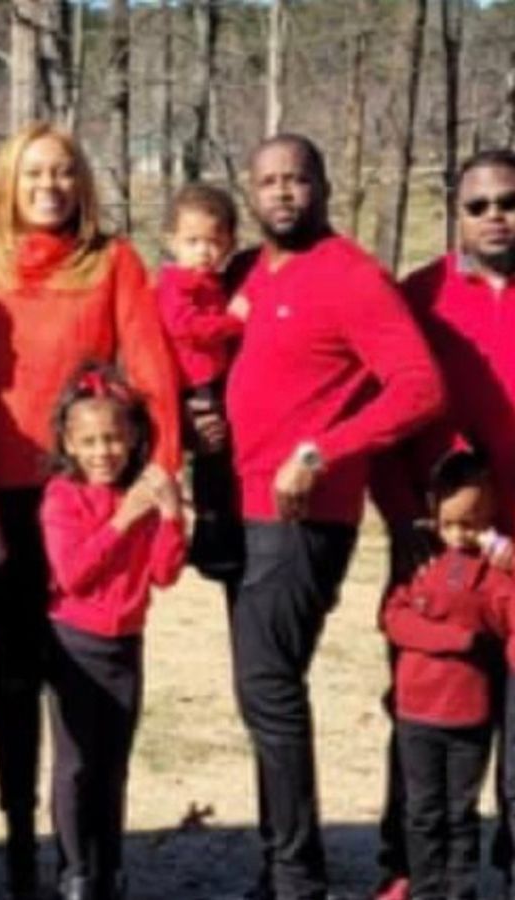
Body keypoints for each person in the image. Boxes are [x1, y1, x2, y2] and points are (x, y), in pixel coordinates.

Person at [0, 121, 180, 898]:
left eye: (64, 172)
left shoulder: (113, 263)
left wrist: (160, 476)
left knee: (91, 687)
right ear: (8, 182)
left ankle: (90, 859)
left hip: (86, 496)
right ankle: (18, 843)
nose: (50, 186)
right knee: (12, 682)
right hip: (1, 503)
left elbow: (152, 372)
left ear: (83, 183)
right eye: (34, 172)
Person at [222, 133, 444, 900]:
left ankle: (296, 879)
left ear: (322, 186)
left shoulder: (352, 275)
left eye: (297, 179)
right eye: (269, 181)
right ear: (251, 191)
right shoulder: (249, 272)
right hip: (240, 510)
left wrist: (320, 452)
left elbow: (419, 386)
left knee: (269, 688)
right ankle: (280, 863)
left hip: (303, 518)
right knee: (261, 693)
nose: (283, 192)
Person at [371, 147, 515, 900]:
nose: (496, 216)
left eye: (509, 202)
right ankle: (408, 869)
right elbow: (382, 416)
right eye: (479, 204)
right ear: (456, 212)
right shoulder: (418, 297)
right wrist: (406, 519)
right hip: (443, 551)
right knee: (426, 717)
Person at [40, 363, 186, 900]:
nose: (104, 452)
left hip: (126, 643)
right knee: (76, 764)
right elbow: (73, 573)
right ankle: (75, 870)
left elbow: (164, 573)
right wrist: (124, 518)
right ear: (69, 445)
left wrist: (169, 515)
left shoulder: (139, 496)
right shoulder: (63, 496)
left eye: (114, 439)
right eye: (90, 442)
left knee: (113, 764)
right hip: (75, 644)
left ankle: (110, 867)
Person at [382, 449, 515, 900]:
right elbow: (394, 619)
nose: (459, 535)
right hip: (417, 711)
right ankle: (425, 889)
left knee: (460, 814)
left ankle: (460, 892)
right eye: (449, 524)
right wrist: (458, 639)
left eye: (471, 525)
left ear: (489, 519)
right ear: (433, 514)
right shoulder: (419, 563)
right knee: (422, 812)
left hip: (467, 716)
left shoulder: (494, 577)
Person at [155, 182, 248, 580]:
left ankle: (225, 528)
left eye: (214, 241)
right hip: (196, 382)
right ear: (172, 242)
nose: (204, 251)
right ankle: (209, 535)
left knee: (225, 458)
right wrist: (234, 321)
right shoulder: (176, 284)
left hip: (217, 377)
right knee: (212, 455)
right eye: (193, 242)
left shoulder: (214, 283)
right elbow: (186, 327)